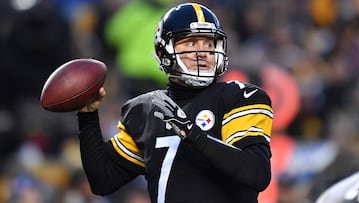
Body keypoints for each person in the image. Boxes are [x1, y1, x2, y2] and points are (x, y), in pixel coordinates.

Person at [76, 3, 273, 203]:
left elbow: (257, 173)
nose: (203, 52)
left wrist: (193, 134)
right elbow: (103, 180)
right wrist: (87, 116)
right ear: (164, 51)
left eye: (209, 44)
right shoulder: (146, 109)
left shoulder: (240, 97)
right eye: (190, 43)